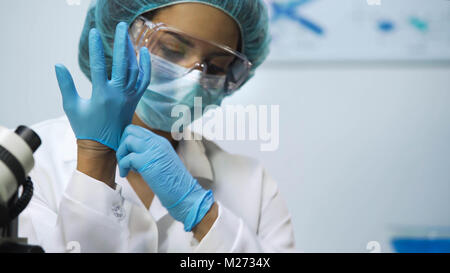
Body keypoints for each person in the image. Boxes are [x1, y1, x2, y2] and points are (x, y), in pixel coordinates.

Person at [18, 0, 296, 253]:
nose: (193, 79)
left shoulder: (252, 184)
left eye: (215, 67)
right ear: (120, 33)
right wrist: (94, 165)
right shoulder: (28, 166)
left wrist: (203, 216)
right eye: (172, 49)